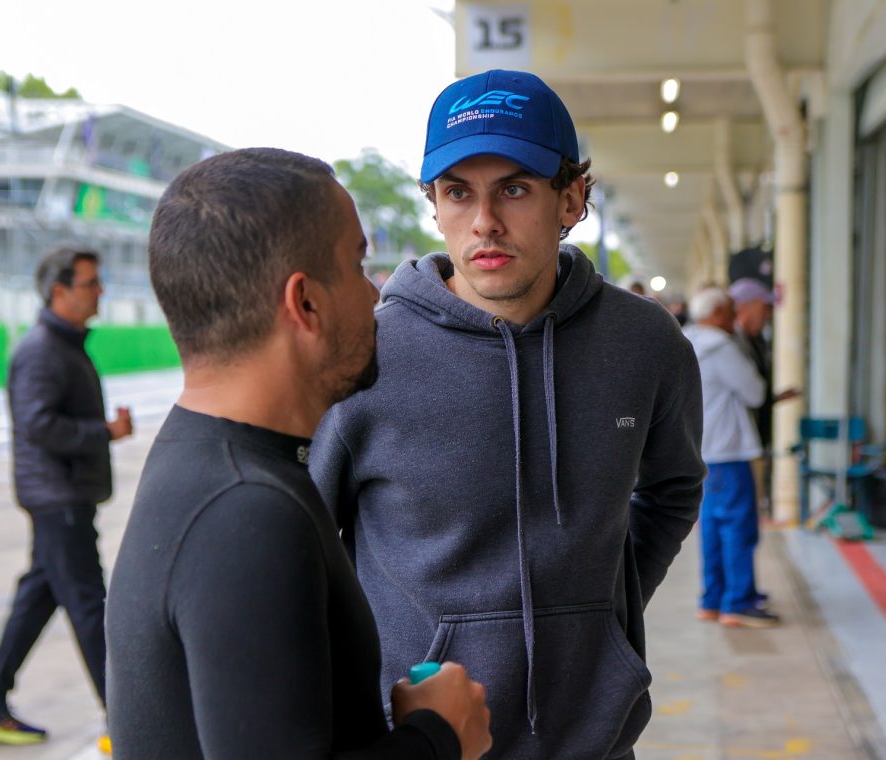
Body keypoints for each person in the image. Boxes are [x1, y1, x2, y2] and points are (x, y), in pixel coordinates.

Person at [311, 69, 705, 758]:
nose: (484, 222)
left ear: (571, 199)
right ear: (435, 205)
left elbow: (673, 488)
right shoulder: (363, 354)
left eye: (514, 189)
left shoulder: (645, 344)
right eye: (458, 192)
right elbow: (304, 545)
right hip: (425, 742)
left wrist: (599, 622)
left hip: (596, 741)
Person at [105, 148, 492, 760]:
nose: (374, 294)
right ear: (305, 303)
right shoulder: (246, 511)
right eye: (358, 265)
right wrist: (438, 734)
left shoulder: (211, 462)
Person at [0, 246, 132, 750]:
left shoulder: (63, 345)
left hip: (62, 495)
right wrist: (104, 432)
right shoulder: (41, 350)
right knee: (89, 605)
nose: (100, 291)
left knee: (38, 598)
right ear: (60, 291)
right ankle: (125, 721)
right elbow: (38, 425)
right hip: (59, 499)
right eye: (90, 283)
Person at [683, 286, 779, 628]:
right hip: (729, 450)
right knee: (738, 526)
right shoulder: (720, 346)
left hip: (701, 448)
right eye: (730, 310)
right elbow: (755, 393)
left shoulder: (685, 340)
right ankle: (738, 602)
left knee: (711, 525)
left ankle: (713, 599)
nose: (735, 317)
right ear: (718, 313)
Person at [728, 277, 799, 517]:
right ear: (745, 306)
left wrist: (774, 398)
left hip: (752, 441)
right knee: (738, 516)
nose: (768, 314)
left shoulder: (753, 341)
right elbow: (751, 394)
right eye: (764, 307)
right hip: (735, 448)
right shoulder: (730, 344)